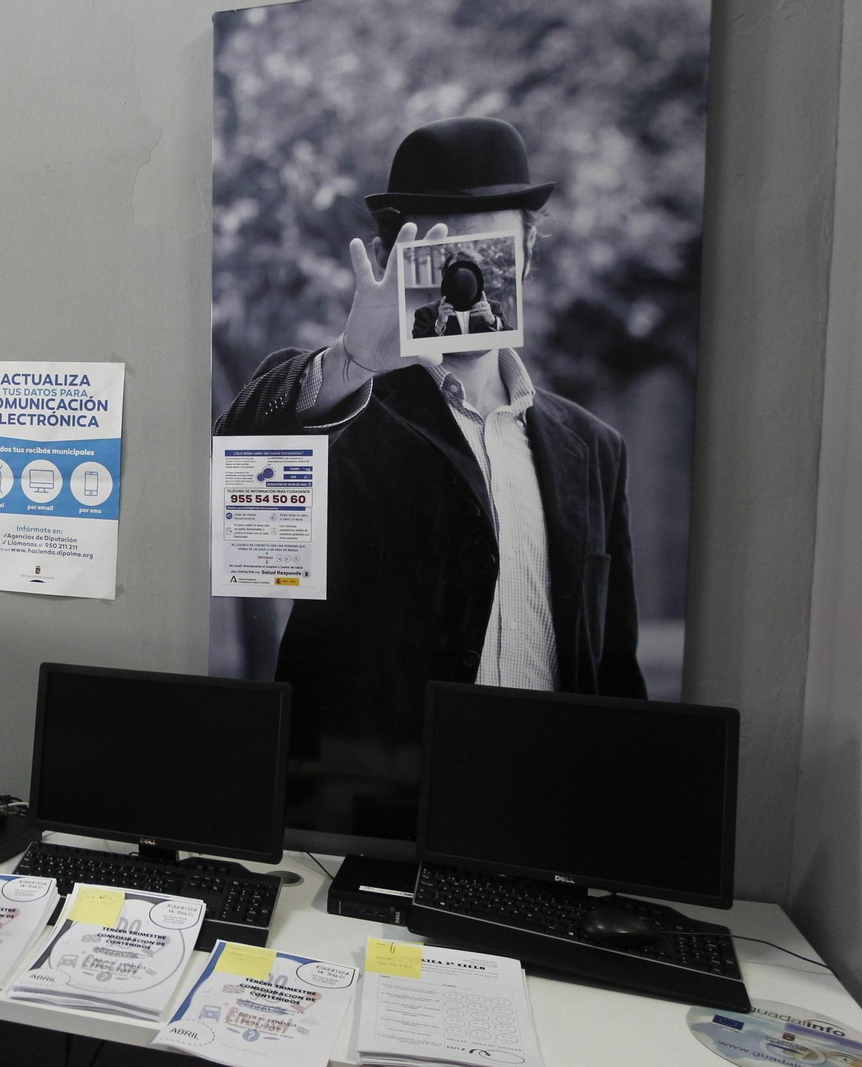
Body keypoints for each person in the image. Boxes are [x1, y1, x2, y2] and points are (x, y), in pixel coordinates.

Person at [214, 116, 645, 835]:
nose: (466, 275)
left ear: (530, 251)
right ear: (393, 259)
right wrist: (352, 360)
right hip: (376, 829)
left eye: (491, 249)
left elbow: (617, 672)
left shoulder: (593, 449)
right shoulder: (346, 410)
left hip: (549, 822)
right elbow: (244, 461)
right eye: (444, 253)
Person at [411, 256, 510, 338]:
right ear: (444, 276)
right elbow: (418, 349)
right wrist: (439, 325)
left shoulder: (493, 308)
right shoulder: (425, 313)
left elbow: (510, 340)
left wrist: (492, 321)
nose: (460, 279)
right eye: (454, 272)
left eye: (465, 273)